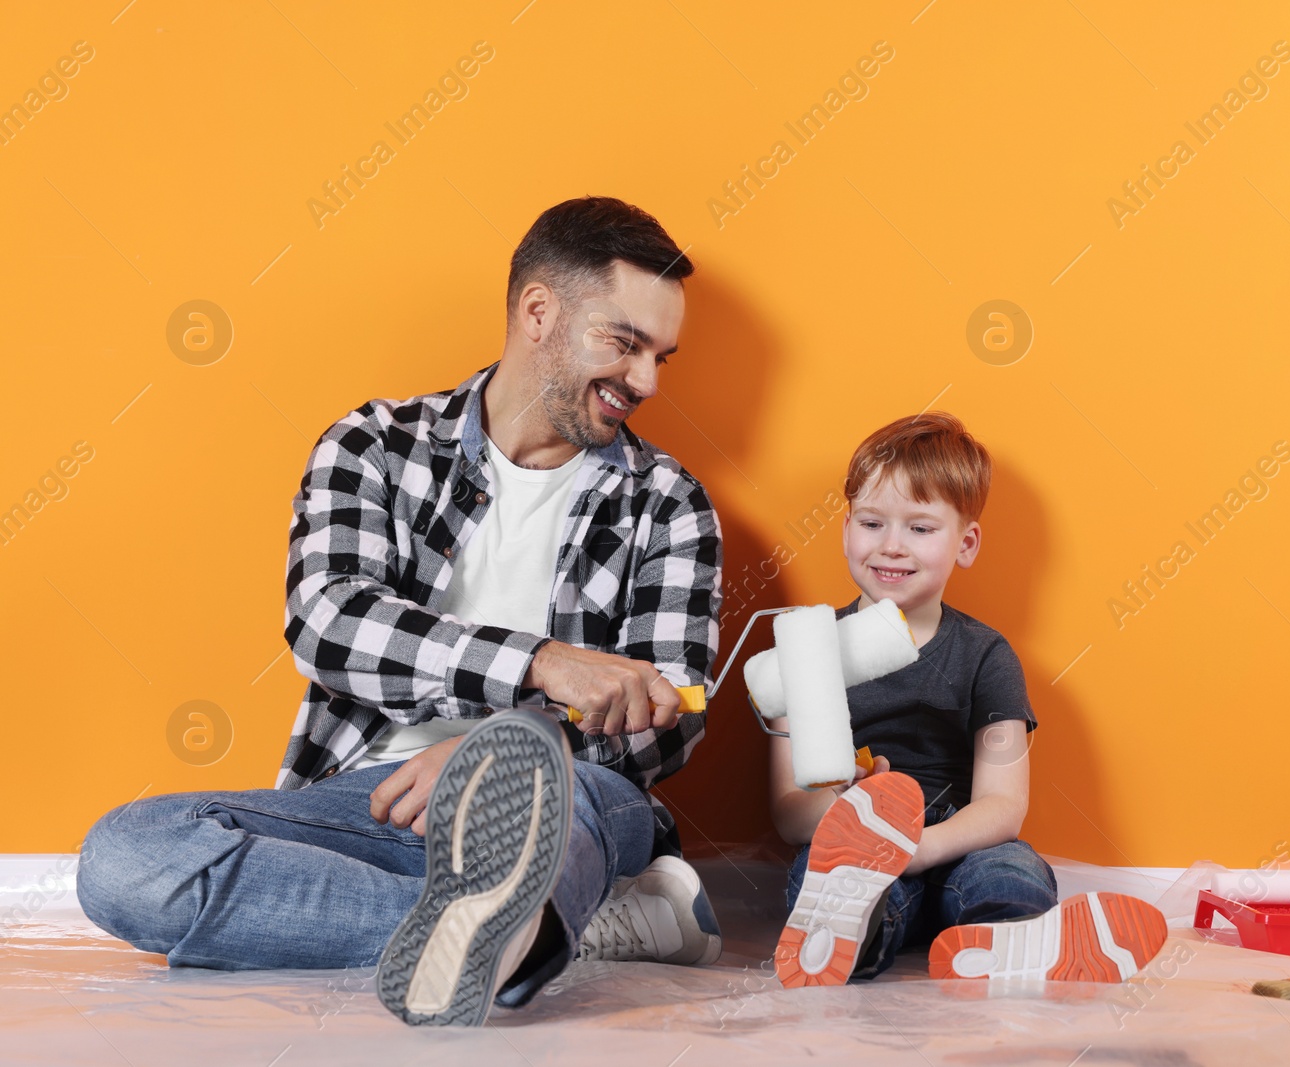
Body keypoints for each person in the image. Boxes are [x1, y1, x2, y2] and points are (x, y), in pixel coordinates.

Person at [76, 197, 725, 1026]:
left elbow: (667, 721)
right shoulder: (373, 446)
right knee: (127, 857)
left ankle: (516, 911)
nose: (647, 381)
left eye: (660, 356)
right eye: (625, 343)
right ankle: (541, 928)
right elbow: (330, 619)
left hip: (569, 791)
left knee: (589, 800)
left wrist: (507, 749)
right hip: (373, 799)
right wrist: (541, 662)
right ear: (539, 312)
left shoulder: (667, 502)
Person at [768, 413, 1168, 985]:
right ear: (845, 529)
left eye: (921, 529)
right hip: (859, 851)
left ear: (967, 543)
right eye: (872, 522)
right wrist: (846, 811)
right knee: (826, 873)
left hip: (957, 837)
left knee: (1012, 870)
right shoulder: (805, 652)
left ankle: (1007, 940)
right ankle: (855, 941)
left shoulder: (986, 656)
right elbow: (787, 813)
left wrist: (921, 847)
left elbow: (1003, 806)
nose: (891, 546)